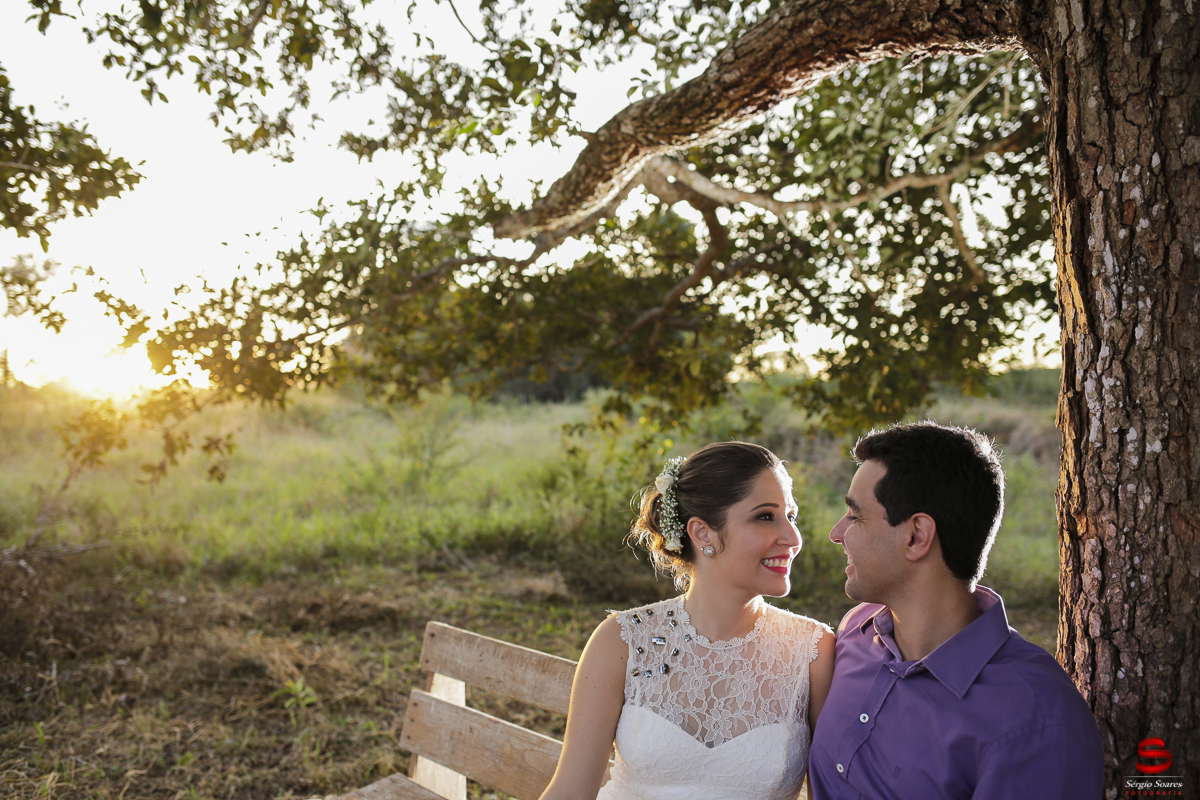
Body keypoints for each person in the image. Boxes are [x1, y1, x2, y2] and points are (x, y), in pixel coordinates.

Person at [809, 421, 1104, 799]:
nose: (837, 533)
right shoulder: (856, 631)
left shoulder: (1036, 721)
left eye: (855, 516)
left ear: (916, 536)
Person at [539, 441, 835, 800]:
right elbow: (571, 790)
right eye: (765, 516)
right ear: (702, 533)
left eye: (791, 516)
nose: (792, 538)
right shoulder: (622, 640)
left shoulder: (813, 652)